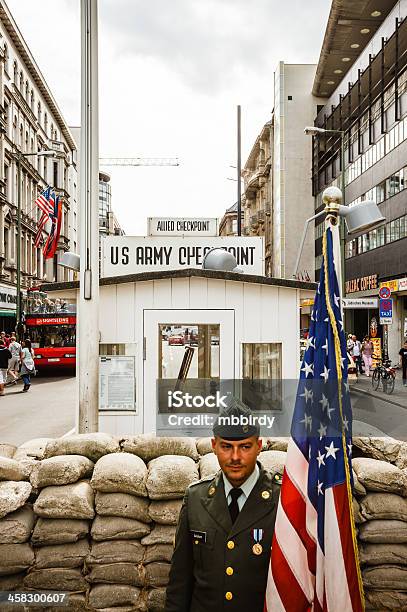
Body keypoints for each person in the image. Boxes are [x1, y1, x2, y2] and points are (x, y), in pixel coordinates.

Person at [165, 400, 281, 612]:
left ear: (259, 445)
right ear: (214, 446)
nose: (235, 457)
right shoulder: (196, 498)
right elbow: (180, 581)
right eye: (227, 447)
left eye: (245, 447)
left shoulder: (281, 499)